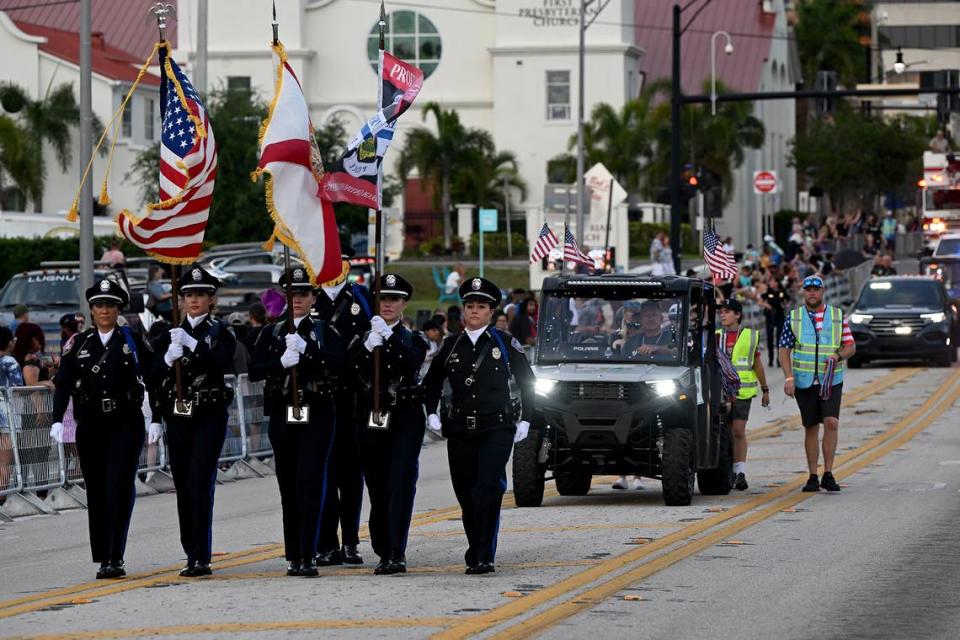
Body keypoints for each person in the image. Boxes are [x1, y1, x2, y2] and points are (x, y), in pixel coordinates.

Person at [422, 277, 535, 574]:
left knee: (486, 489)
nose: (474, 311)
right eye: (469, 306)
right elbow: (431, 383)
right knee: (466, 493)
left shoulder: (504, 343)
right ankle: (477, 545)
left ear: (491, 311)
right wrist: (430, 412)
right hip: (460, 429)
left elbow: (528, 383)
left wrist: (527, 418)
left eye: (481, 306)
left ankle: (484, 553)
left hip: (496, 427)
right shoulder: (451, 345)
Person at [48, 279, 158, 579]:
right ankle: (103, 556)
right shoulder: (81, 344)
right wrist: (57, 418)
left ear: (118, 308)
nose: (104, 310)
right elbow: (64, 383)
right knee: (96, 491)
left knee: (117, 487)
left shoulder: (131, 341)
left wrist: (157, 417)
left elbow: (154, 377)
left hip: (125, 423)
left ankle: (116, 555)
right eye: (99, 305)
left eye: (110, 305)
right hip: (92, 425)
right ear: (92, 310)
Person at [249, 266, 346, 577]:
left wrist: (310, 352)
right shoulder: (272, 332)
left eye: (303, 293)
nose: (298, 299)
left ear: (313, 296)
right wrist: (280, 362)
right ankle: (294, 553)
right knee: (288, 486)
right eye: (292, 293)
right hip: (283, 414)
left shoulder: (323, 332)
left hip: (316, 413)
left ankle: (310, 552)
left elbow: (342, 365)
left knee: (310, 483)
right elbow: (254, 370)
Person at [153, 265, 236, 577]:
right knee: (184, 486)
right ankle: (190, 549)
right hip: (179, 416)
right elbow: (151, 376)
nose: (194, 300)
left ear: (211, 299)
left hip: (209, 415)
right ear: (181, 299)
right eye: (188, 294)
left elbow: (223, 362)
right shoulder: (167, 333)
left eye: (201, 294)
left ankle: (202, 555)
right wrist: (166, 359)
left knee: (200, 481)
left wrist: (193, 345)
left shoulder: (220, 331)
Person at [349, 274, 429, 575]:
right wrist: (370, 345)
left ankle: (397, 550)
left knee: (401, 483)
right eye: (383, 299)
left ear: (404, 304)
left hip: (404, 416)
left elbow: (410, 362)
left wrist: (391, 339)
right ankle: (383, 546)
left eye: (394, 299)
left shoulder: (413, 339)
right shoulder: (363, 338)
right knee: (377, 486)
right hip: (371, 416)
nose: (388, 305)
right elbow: (350, 369)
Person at [313, 243, 372, 567]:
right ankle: (326, 543)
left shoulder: (360, 299)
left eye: (345, 262)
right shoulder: (311, 299)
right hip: (323, 397)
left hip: (353, 399)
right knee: (324, 474)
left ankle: (350, 541)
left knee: (351, 477)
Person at [778, 275, 856, 493]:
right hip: (804, 381)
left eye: (816, 289)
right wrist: (789, 377)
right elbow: (783, 349)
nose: (812, 293)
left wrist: (839, 356)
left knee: (831, 422)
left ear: (823, 292)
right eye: (808, 289)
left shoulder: (837, 316)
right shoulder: (794, 318)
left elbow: (851, 345)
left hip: (831, 380)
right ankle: (813, 475)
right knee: (810, 427)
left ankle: (828, 473)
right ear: (803, 292)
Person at [716, 299, 769, 491]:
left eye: (727, 311)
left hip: (742, 391)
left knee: (738, 430)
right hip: (721, 392)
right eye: (721, 312)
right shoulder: (716, 336)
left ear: (738, 314)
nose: (722, 315)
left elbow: (757, 365)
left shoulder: (750, 336)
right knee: (726, 432)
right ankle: (728, 469)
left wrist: (765, 389)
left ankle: (740, 472)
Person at [0, 326, 23, 494]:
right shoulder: (9, 361)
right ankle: (1, 495)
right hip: (7, 415)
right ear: (9, 342)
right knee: (4, 461)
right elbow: (17, 388)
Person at [759, 277, 788, 367]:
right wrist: (767, 306)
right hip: (770, 316)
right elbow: (760, 301)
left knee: (780, 338)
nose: (770, 283)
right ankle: (771, 359)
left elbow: (787, 299)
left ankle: (779, 360)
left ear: (776, 282)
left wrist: (784, 305)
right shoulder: (768, 292)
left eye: (772, 281)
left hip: (779, 315)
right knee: (770, 337)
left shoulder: (781, 291)